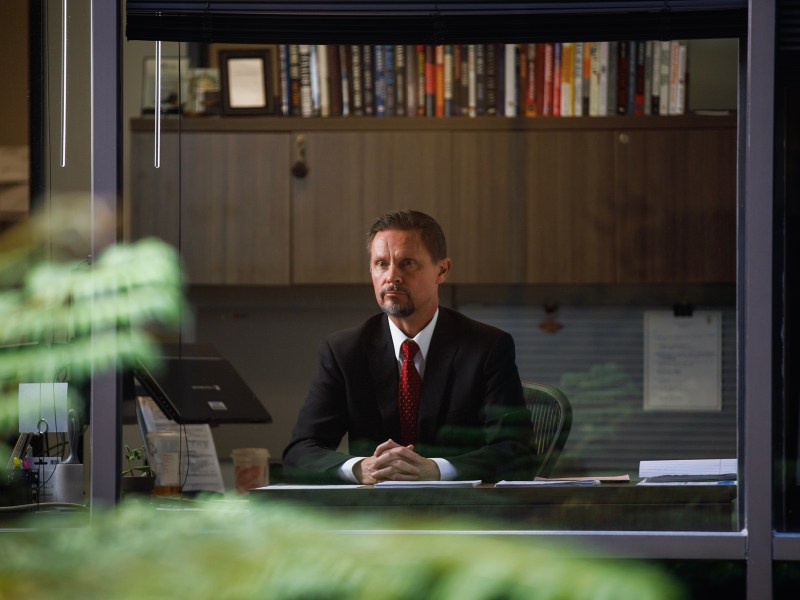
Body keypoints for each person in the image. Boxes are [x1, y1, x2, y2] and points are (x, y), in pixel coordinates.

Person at [282, 210, 534, 484]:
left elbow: (516, 453)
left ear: (442, 270)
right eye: (381, 263)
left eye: (407, 263)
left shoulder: (487, 347)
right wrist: (361, 468)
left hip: (461, 513)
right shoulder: (344, 351)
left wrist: (435, 471)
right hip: (373, 515)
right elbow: (299, 453)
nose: (392, 276)